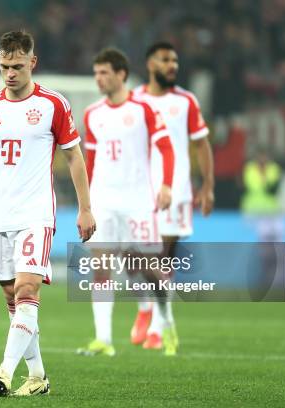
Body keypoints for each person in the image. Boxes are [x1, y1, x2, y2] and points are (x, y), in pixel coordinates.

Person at [0, 30, 96, 397]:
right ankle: (38, 377)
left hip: (36, 214)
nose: (10, 73)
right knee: (12, 300)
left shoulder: (53, 104)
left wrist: (85, 207)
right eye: (4, 66)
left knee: (27, 287)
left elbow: (74, 156)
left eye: (17, 66)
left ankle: (4, 371)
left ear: (33, 62)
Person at [76, 48, 175, 358]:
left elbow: (166, 148)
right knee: (101, 267)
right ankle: (103, 339)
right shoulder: (93, 113)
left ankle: (166, 322)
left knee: (146, 266)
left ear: (121, 74)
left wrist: (167, 185)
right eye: (96, 74)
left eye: (104, 73)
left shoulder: (143, 109)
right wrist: (86, 203)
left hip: (136, 201)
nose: (99, 79)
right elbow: (90, 160)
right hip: (103, 201)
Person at [132, 42, 214, 355]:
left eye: (175, 60)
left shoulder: (186, 101)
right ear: (150, 63)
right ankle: (145, 307)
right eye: (166, 59)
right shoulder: (135, 100)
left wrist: (207, 185)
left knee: (164, 258)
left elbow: (201, 144)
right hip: (139, 189)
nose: (172, 65)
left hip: (177, 189)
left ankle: (156, 327)